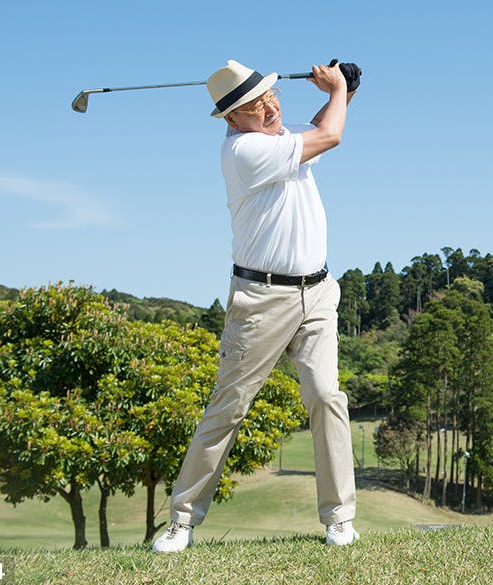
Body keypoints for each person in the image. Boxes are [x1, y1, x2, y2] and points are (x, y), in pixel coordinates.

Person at [152, 58, 362, 553]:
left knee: (326, 395)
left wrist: (346, 90)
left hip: (318, 293)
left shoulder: (276, 138)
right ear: (231, 118)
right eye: (254, 105)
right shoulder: (244, 151)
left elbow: (318, 130)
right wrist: (337, 93)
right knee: (229, 407)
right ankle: (182, 520)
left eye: (271, 97)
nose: (269, 108)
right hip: (262, 301)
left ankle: (339, 518)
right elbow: (329, 135)